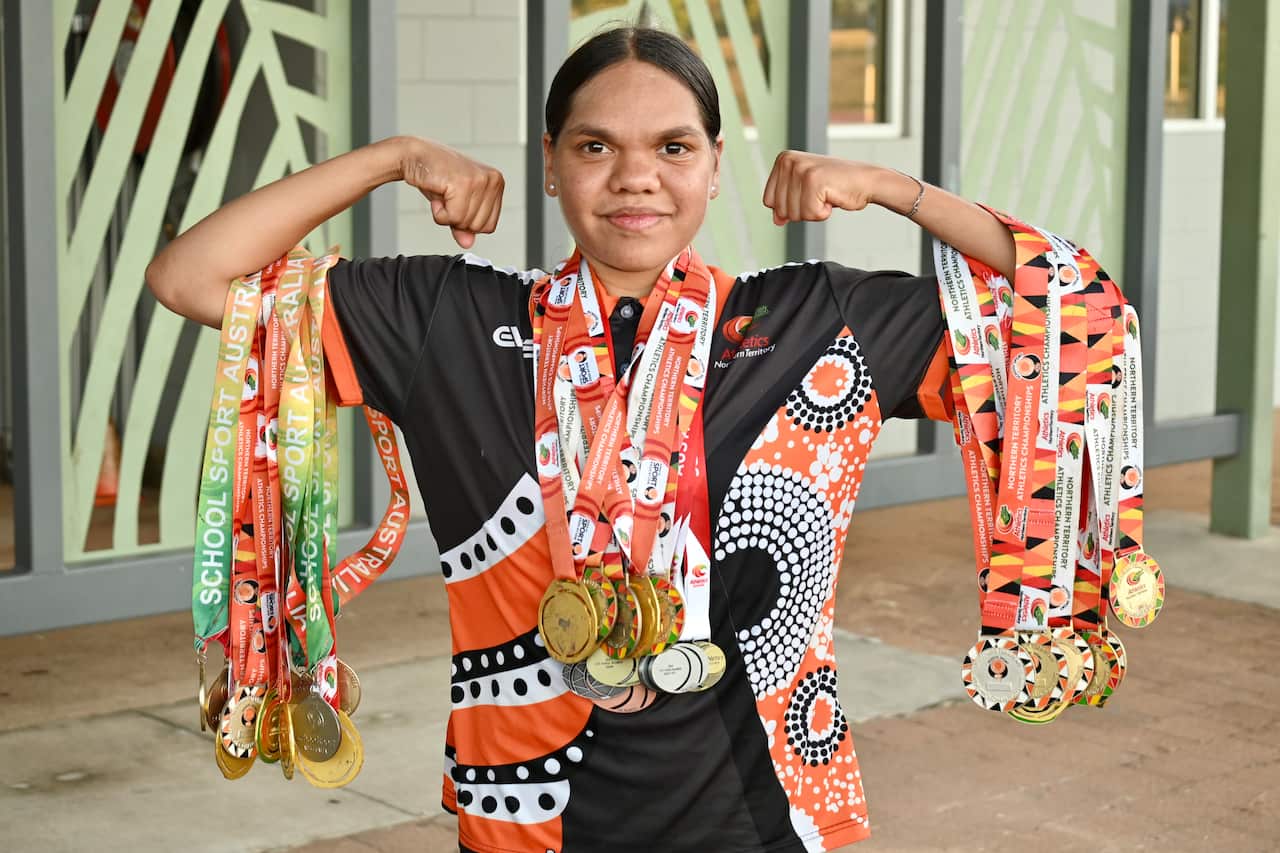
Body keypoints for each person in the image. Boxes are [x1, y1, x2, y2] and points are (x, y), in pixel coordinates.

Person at [148, 25, 1022, 853]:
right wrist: (394, 158)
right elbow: (189, 278)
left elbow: (1068, 315)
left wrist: (892, 188)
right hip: (525, 809)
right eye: (596, 147)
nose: (635, 178)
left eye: (674, 147)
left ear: (716, 167)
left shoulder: (809, 321)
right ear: (551, 166)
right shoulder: (451, 321)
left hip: (759, 811)